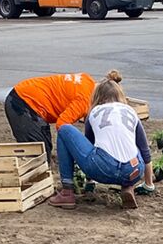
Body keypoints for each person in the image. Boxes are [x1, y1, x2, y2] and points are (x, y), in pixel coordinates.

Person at [48, 74, 152, 209]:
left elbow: (89, 148)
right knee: (131, 146)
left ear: (97, 97)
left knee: (64, 129)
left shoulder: (94, 113)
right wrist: (149, 184)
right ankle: (128, 186)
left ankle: (67, 192)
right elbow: (145, 152)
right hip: (133, 171)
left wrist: (90, 182)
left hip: (103, 168)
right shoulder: (130, 112)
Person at [5, 71, 100, 160]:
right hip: (22, 103)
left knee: (45, 149)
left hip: (25, 93)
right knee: (39, 155)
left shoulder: (87, 80)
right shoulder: (84, 101)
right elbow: (62, 125)